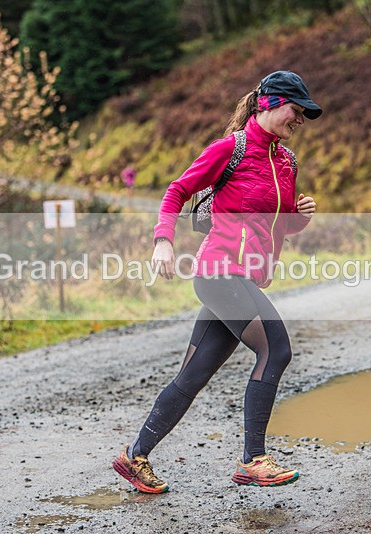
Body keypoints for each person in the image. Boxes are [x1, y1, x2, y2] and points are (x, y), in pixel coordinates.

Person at [112, 70, 322, 493]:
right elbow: (176, 191)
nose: (299, 120)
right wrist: (163, 243)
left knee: (193, 375)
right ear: (269, 103)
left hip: (243, 278)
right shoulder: (231, 148)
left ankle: (134, 456)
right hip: (218, 271)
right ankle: (253, 460)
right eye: (295, 111)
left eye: (303, 115)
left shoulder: (286, 161)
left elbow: (275, 226)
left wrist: (300, 216)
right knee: (276, 348)